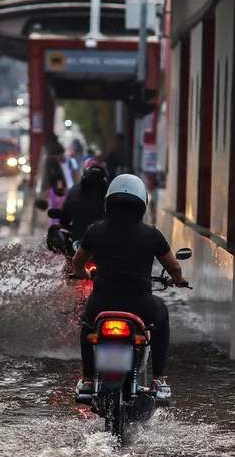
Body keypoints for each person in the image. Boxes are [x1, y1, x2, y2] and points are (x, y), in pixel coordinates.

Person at [71, 174, 187, 403]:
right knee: (162, 314)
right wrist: (176, 279)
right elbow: (173, 267)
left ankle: (87, 380)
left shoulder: (95, 230)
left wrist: (84, 274)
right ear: (142, 203)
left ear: (109, 201)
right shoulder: (152, 234)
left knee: (87, 325)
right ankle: (159, 379)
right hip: (141, 306)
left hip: (101, 304)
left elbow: (77, 263)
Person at [59, 164, 110, 241]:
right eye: (91, 186)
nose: (93, 190)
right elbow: (64, 219)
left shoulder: (110, 201)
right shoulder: (74, 195)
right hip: (77, 242)